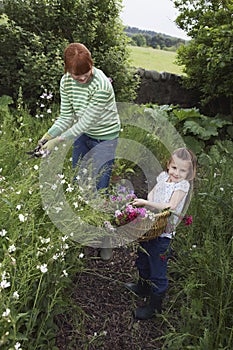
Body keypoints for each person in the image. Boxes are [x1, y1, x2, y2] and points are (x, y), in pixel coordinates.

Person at [125, 147, 197, 320]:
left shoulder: (182, 186)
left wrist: (145, 202)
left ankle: (154, 306)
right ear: (168, 165)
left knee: (158, 268)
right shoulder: (164, 178)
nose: (177, 173)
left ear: (189, 173)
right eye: (174, 168)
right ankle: (143, 286)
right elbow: (153, 192)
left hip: (163, 233)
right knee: (143, 258)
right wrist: (148, 202)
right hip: (151, 226)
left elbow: (170, 206)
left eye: (182, 170)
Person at [38, 43, 121, 191]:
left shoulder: (101, 85)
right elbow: (66, 117)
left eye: (86, 71)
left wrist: (57, 141)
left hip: (106, 137)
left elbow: (85, 123)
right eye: (77, 75)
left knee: (100, 184)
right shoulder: (66, 82)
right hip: (83, 134)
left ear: (91, 64)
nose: (83, 78)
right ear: (68, 69)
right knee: (76, 176)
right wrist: (48, 136)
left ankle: (100, 209)